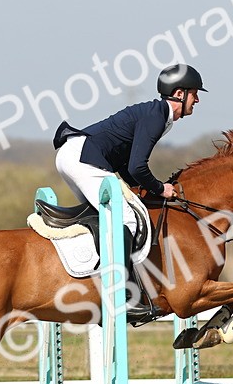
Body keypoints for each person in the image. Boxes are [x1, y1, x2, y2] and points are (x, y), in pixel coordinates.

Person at [52, 63, 206, 322]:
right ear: (180, 94)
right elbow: (137, 165)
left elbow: (126, 163)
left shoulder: (158, 114)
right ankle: (122, 296)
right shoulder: (157, 116)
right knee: (127, 218)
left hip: (74, 155)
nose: (197, 99)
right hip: (82, 158)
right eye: (194, 93)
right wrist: (160, 188)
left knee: (105, 218)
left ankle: (93, 281)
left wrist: (140, 187)